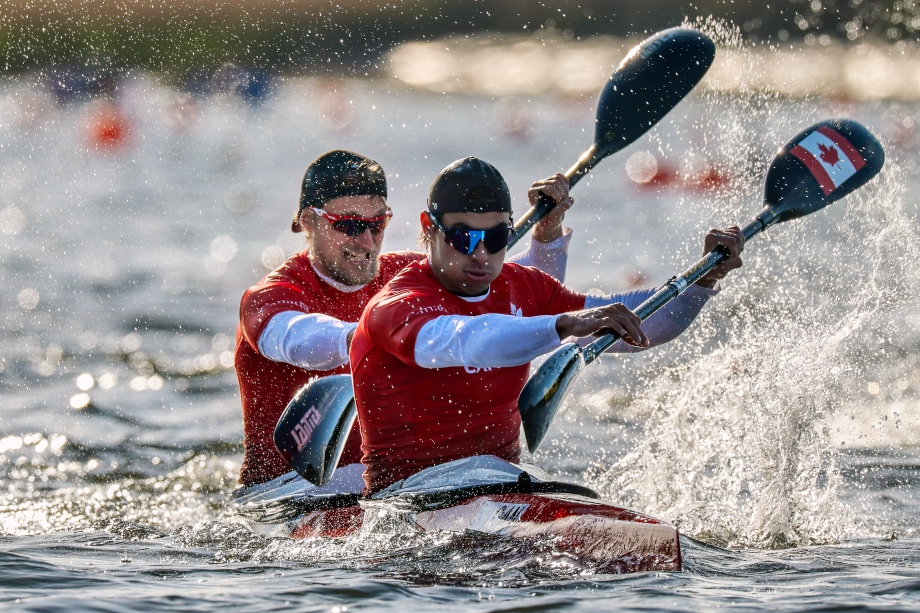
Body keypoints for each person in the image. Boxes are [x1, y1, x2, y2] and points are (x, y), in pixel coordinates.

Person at [350, 157, 744, 493]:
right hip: (407, 496)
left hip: (501, 484)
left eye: (497, 236)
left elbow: (647, 327)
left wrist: (704, 279)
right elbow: (467, 340)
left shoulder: (524, 286)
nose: (482, 254)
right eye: (463, 238)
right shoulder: (396, 306)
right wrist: (564, 324)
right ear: (428, 227)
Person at [235, 150, 577, 486]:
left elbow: (520, 296)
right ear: (308, 221)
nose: (367, 241)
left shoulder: (409, 276)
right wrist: (375, 335)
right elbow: (298, 339)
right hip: (289, 490)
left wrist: (547, 233)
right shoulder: (271, 296)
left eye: (378, 223)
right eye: (351, 225)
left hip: (388, 488)